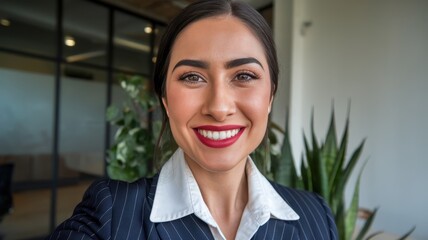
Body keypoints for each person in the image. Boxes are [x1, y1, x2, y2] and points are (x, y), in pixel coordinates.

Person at [47, 0, 338, 239]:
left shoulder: (316, 215)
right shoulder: (109, 215)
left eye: (244, 76)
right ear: (165, 100)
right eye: (192, 77)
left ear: (270, 95)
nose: (219, 107)